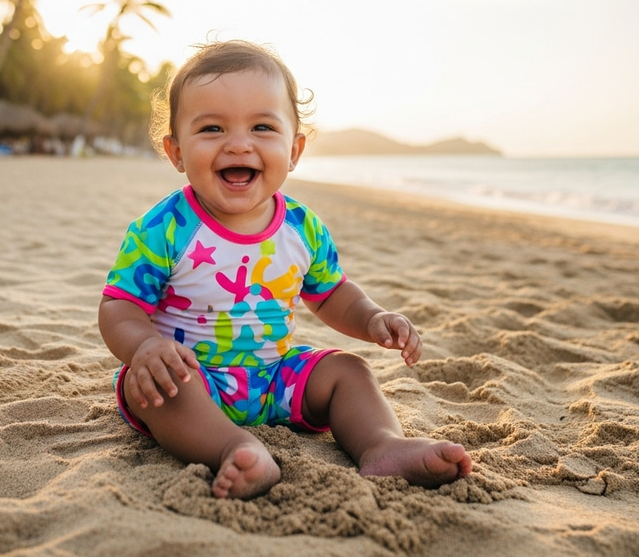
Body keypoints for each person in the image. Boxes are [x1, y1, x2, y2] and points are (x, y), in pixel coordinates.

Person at [98, 39, 472, 500]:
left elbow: (332, 294)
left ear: (294, 150)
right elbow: (119, 308)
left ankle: (381, 446)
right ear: (176, 151)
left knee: (348, 371)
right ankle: (236, 448)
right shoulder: (165, 228)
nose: (239, 143)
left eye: (262, 127)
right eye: (212, 128)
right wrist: (145, 348)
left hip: (276, 378)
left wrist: (372, 318)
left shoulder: (301, 227)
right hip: (194, 379)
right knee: (153, 390)